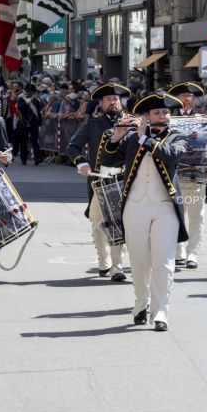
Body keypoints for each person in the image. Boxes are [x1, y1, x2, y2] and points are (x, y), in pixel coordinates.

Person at [99, 93, 188, 331]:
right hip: (135, 205)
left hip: (165, 207)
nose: (163, 116)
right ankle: (141, 302)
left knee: (164, 261)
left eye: (166, 113)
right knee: (138, 260)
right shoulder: (130, 138)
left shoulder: (176, 136)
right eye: (157, 113)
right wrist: (116, 138)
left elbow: (171, 156)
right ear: (146, 117)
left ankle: (160, 312)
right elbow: (108, 162)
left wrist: (144, 139)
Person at [67, 83, 130, 281]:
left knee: (119, 223)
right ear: (101, 103)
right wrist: (82, 164)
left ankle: (117, 266)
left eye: (116, 99)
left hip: (124, 179)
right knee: (98, 223)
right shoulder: (92, 124)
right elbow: (73, 147)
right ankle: (104, 261)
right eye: (109, 99)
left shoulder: (132, 123)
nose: (114, 102)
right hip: (99, 180)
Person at [167, 82, 206, 268]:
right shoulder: (168, 119)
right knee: (176, 215)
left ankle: (193, 253)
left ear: (194, 99)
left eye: (189, 96)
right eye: (182, 95)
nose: (186, 99)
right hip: (174, 174)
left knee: (197, 216)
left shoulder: (204, 120)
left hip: (197, 173)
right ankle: (179, 251)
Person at [16, 85, 43, 165]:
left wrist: (39, 124)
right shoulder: (21, 99)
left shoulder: (36, 101)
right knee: (23, 141)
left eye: (29, 91)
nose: (28, 92)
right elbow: (19, 107)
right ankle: (23, 159)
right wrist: (26, 102)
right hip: (23, 122)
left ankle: (37, 158)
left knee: (34, 140)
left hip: (33, 122)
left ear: (32, 92)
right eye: (27, 91)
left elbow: (38, 114)